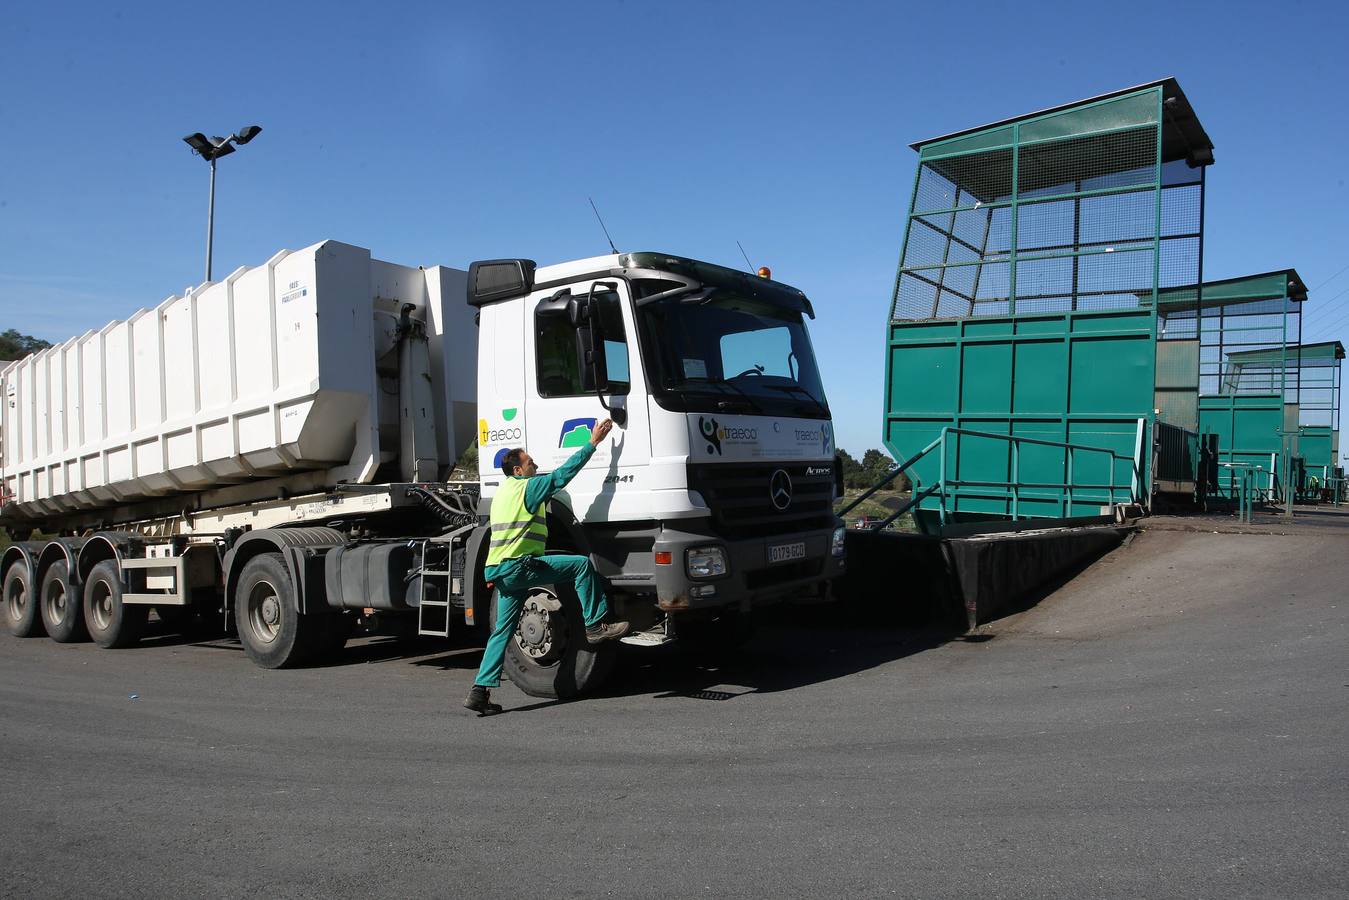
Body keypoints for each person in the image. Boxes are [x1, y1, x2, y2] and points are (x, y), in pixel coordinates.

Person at [464, 418, 629, 715]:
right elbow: (562, 476)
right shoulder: (528, 488)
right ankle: (595, 625)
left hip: (501, 571)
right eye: (530, 462)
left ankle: (479, 690)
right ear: (518, 470)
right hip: (519, 567)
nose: (534, 465)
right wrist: (593, 443)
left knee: (501, 631)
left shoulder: (503, 492)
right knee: (579, 566)